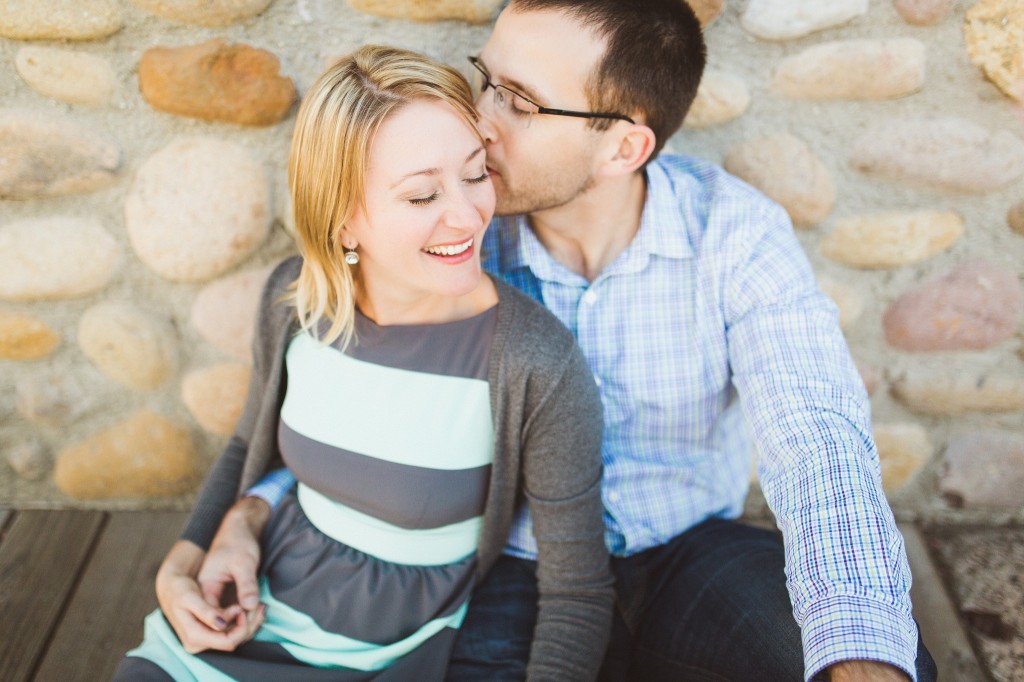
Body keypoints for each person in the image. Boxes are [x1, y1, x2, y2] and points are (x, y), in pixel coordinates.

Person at [207, 1, 940, 681]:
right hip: (512, 567)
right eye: (485, 81)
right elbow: (363, 399)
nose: (480, 122)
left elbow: (818, 439)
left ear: (624, 146)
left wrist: (860, 646)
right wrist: (243, 514)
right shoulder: (451, 235)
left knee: (877, 660)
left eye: (519, 101)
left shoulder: (733, 233)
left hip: (688, 552)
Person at [112, 44, 613, 682]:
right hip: (242, 622)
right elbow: (247, 447)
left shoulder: (533, 363)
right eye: (420, 195)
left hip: (401, 658)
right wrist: (183, 564)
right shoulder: (293, 301)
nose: (467, 215)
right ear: (345, 218)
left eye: (475, 172)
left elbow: (577, 594)